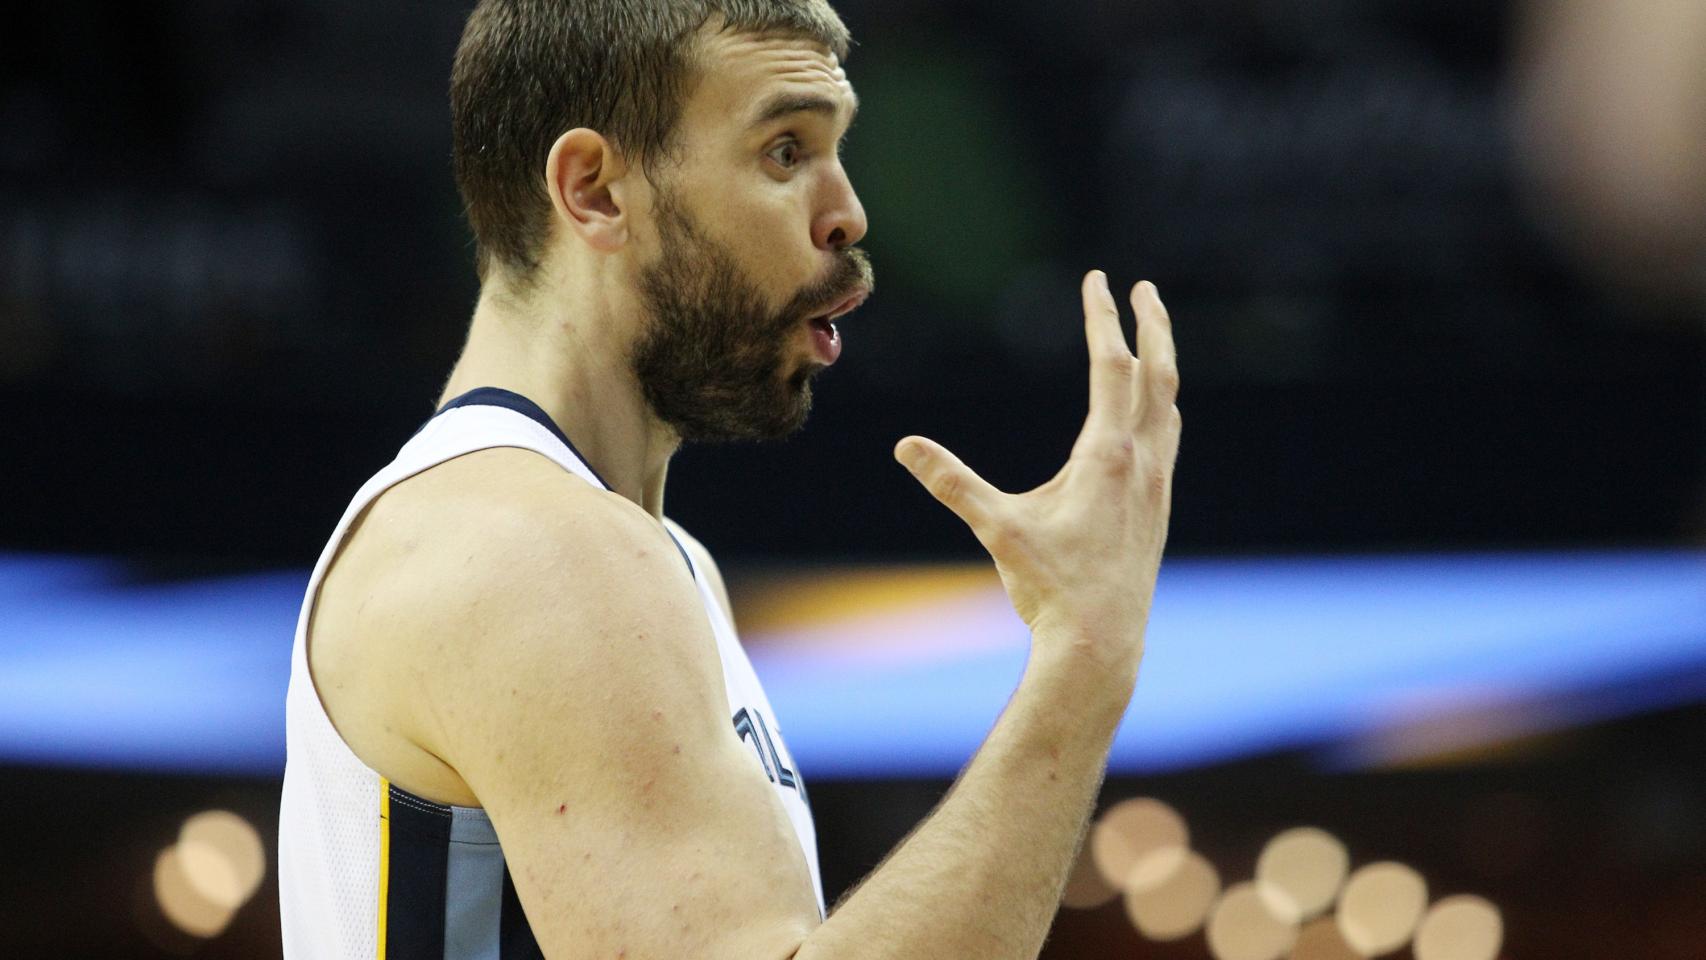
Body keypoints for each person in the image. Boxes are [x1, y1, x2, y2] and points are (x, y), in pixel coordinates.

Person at [277, 0, 1181, 957]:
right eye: (784, 151)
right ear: (594, 191)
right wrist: (1084, 658)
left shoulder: (627, 551)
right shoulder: (536, 554)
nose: (849, 213)